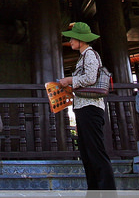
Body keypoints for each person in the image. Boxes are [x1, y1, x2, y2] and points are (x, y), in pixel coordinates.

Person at [54, 22, 116, 191]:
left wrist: (69, 80)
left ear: (81, 40)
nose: (70, 41)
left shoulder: (90, 55)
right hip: (83, 108)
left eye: (73, 38)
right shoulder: (83, 56)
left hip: (91, 108)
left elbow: (89, 78)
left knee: (96, 152)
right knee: (88, 153)